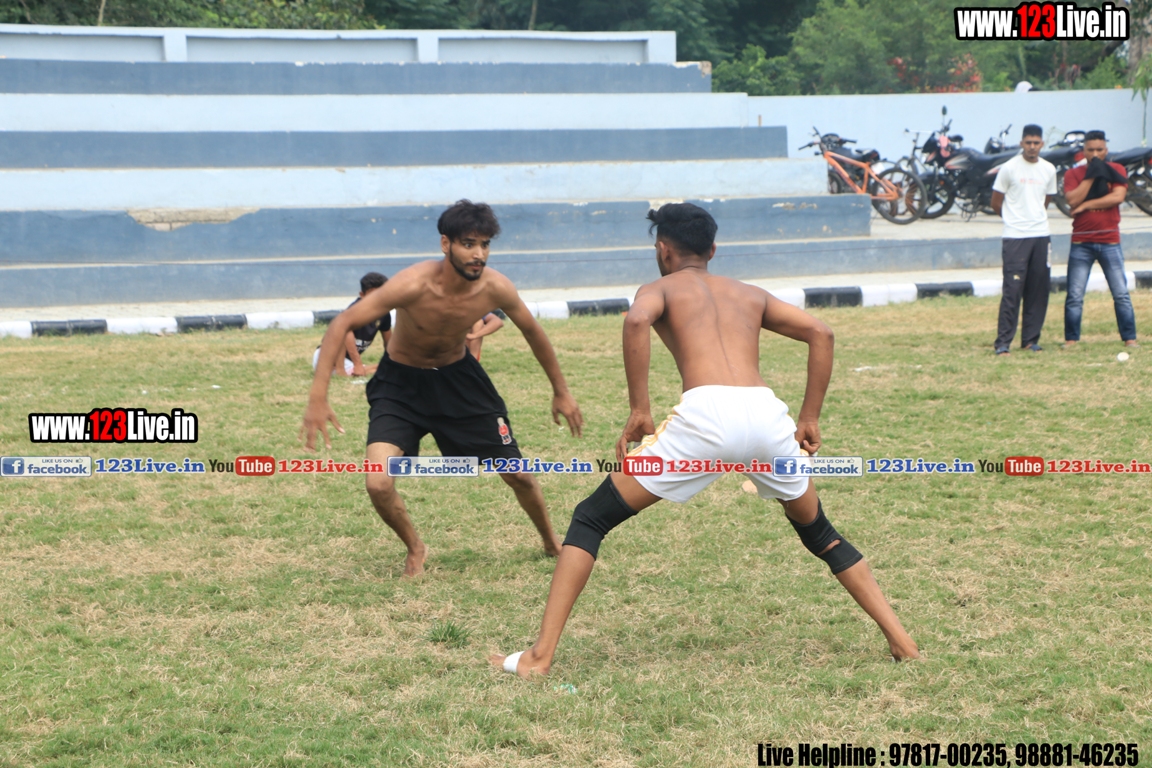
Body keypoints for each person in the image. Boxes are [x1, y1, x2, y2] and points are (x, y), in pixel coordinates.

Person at [490, 203, 919, 678]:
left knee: (591, 518)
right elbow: (822, 332)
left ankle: (539, 657)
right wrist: (809, 417)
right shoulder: (749, 293)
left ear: (662, 249)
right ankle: (903, 642)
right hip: (766, 415)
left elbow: (636, 321)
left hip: (706, 417)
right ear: (712, 249)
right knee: (819, 532)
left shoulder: (659, 289)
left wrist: (639, 410)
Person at [301, 200, 585, 577]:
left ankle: (550, 541)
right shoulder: (412, 283)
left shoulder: (495, 287)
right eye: (468, 244)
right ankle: (415, 547)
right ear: (445, 244)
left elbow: (533, 332)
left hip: (459, 383)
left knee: (516, 473)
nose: (478, 254)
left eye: (485, 244)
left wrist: (561, 391)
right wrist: (318, 397)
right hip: (400, 386)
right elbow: (342, 324)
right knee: (378, 483)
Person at [1062, 130, 1138, 348]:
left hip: (1110, 241)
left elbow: (1118, 196)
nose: (1095, 154)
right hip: (1081, 243)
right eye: (1090, 150)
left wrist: (1086, 205)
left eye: (1099, 150)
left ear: (1106, 150)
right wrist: (1092, 175)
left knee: (1120, 293)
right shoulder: (1073, 174)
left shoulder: (1117, 170)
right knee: (1075, 294)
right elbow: (1072, 200)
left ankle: (1130, 338)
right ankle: (1071, 339)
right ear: (1083, 151)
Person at [991, 124, 1058, 356]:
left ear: (1042, 144)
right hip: (1015, 237)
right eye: (1028, 143)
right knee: (1013, 289)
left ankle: (1030, 340)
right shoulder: (1009, 168)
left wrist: (1033, 219)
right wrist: (1013, 220)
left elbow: (1046, 200)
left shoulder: (1049, 169)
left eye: (1036, 143)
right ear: (1021, 143)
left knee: (1038, 289)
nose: (1032, 147)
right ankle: (1003, 343)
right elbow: (996, 202)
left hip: (1041, 235)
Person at [311, 272, 392, 377]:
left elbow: (388, 342)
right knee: (342, 329)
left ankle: (350, 370)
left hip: (347, 361)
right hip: (326, 356)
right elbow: (345, 333)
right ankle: (340, 371)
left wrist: (394, 361)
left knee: (382, 369)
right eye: (372, 296)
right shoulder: (354, 310)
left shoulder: (384, 313)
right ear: (362, 295)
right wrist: (357, 364)